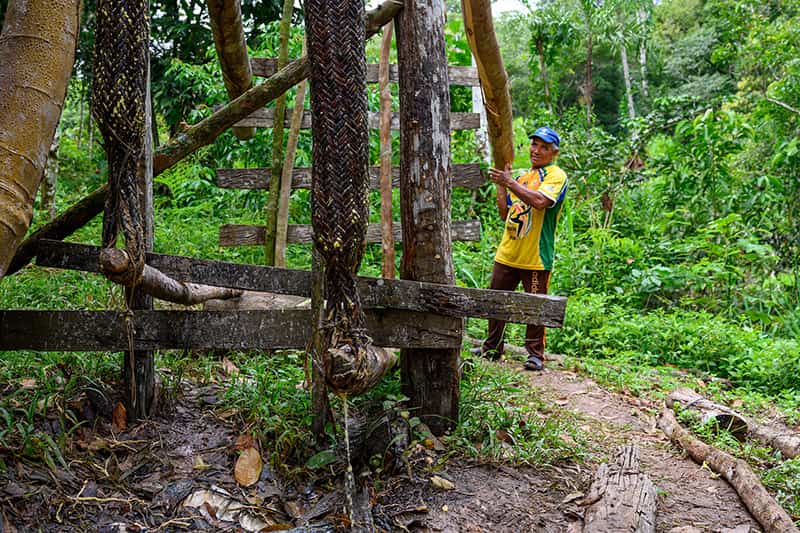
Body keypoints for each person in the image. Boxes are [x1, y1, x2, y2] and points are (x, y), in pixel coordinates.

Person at [473, 126, 568, 371]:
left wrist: (509, 182)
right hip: (508, 252)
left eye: (544, 147)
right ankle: (492, 348)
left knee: (535, 307)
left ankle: (535, 355)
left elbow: (539, 202)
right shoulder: (524, 177)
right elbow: (506, 212)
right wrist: (502, 185)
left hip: (535, 255)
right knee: (496, 301)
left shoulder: (555, 175)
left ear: (553, 153)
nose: (536, 151)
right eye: (534, 145)